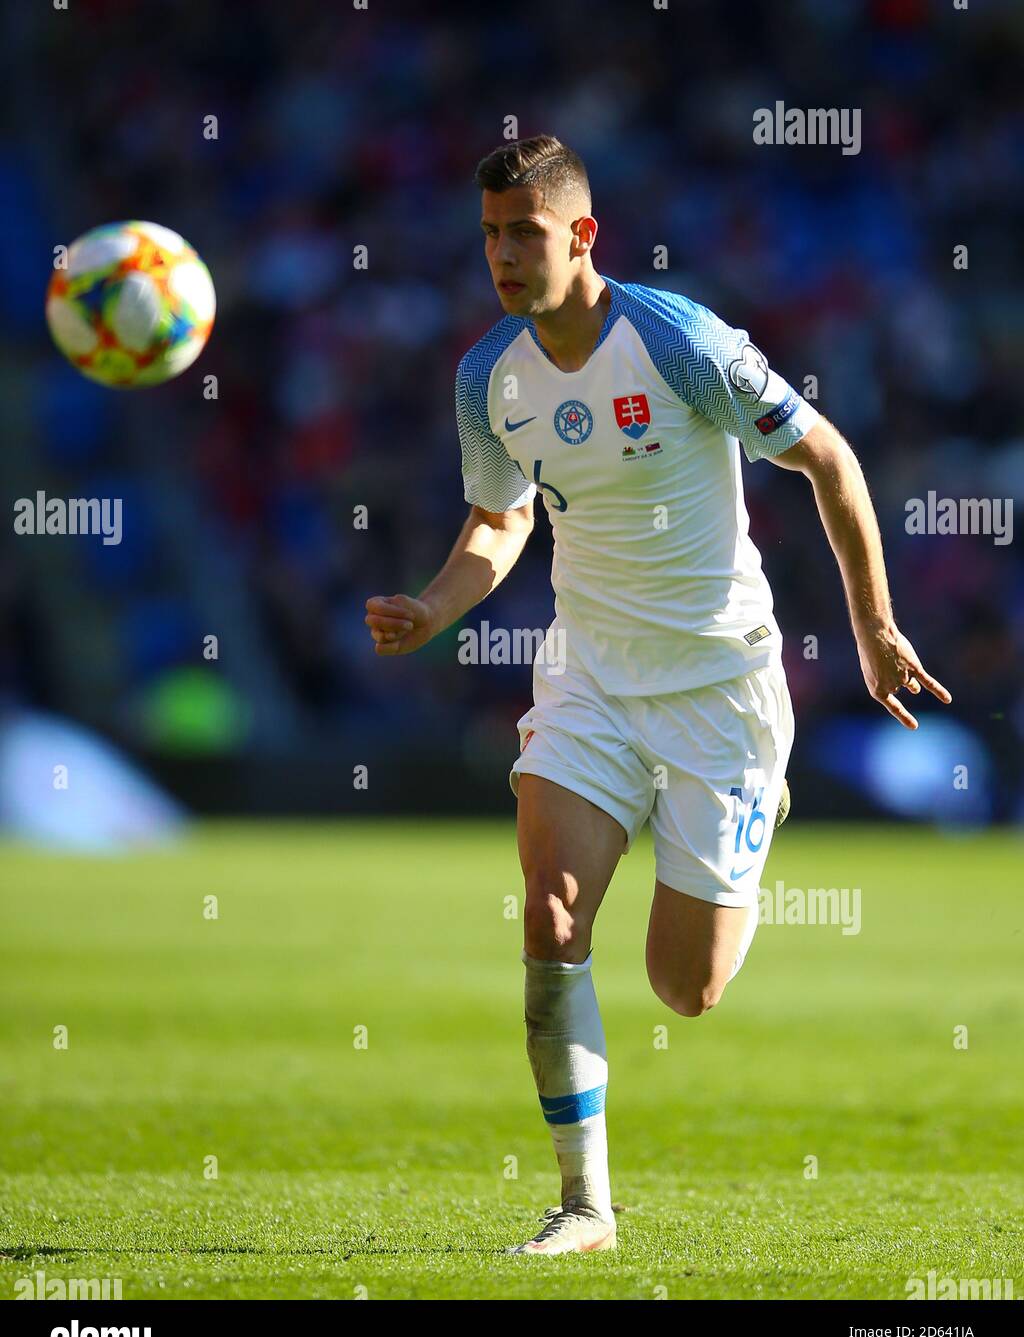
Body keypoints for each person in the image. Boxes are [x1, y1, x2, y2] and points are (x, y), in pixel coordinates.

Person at [364, 134, 951, 1255]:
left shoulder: (680, 342)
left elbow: (828, 460)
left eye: (522, 233)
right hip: (588, 674)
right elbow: (500, 521)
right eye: (487, 234)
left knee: (685, 989)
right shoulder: (487, 375)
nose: (500, 254)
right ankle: (584, 1205)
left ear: (581, 234)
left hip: (719, 690)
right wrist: (435, 609)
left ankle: (749, 806)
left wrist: (873, 629)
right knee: (547, 915)